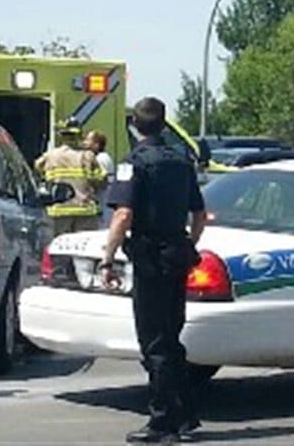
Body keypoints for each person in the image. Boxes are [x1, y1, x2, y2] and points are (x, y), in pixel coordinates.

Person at [99, 97, 208, 444]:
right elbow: (200, 215)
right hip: (176, 254)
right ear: (163, 124)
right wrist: (188, 244)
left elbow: (123, 215)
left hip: (151, 258)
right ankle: (185, 415)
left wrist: (107, 259)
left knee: (155, 342)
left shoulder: (134, 163)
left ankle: (162, 424)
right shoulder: (182, 160)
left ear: (134, 124)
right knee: (171, 338)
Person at [35, 124, 106, 237]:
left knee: (60, 245)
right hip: (84, 210)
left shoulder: (50, 156)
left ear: (61, 137)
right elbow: (101, 180)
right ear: (78, 136)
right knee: (84, 245)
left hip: (59, 211)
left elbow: (37, 169)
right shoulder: (87, 156)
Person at [85, 131, 117, 224]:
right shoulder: (103, 157)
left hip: (104, 201)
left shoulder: (100, 159)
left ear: (96, 144)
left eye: (88, 140)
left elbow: (102, 181)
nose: (85, 143)